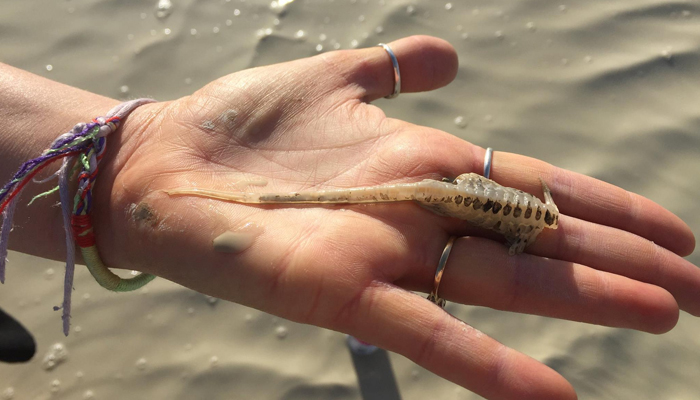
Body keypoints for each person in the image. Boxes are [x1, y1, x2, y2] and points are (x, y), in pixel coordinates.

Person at [0, 35, 697, 400]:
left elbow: (521, 224)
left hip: (458, 195)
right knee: (343, 207)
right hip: (453, 195)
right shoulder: (497, 213)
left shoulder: (518, 213)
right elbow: (514, 230)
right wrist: (130, 168)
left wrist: (128, 165)